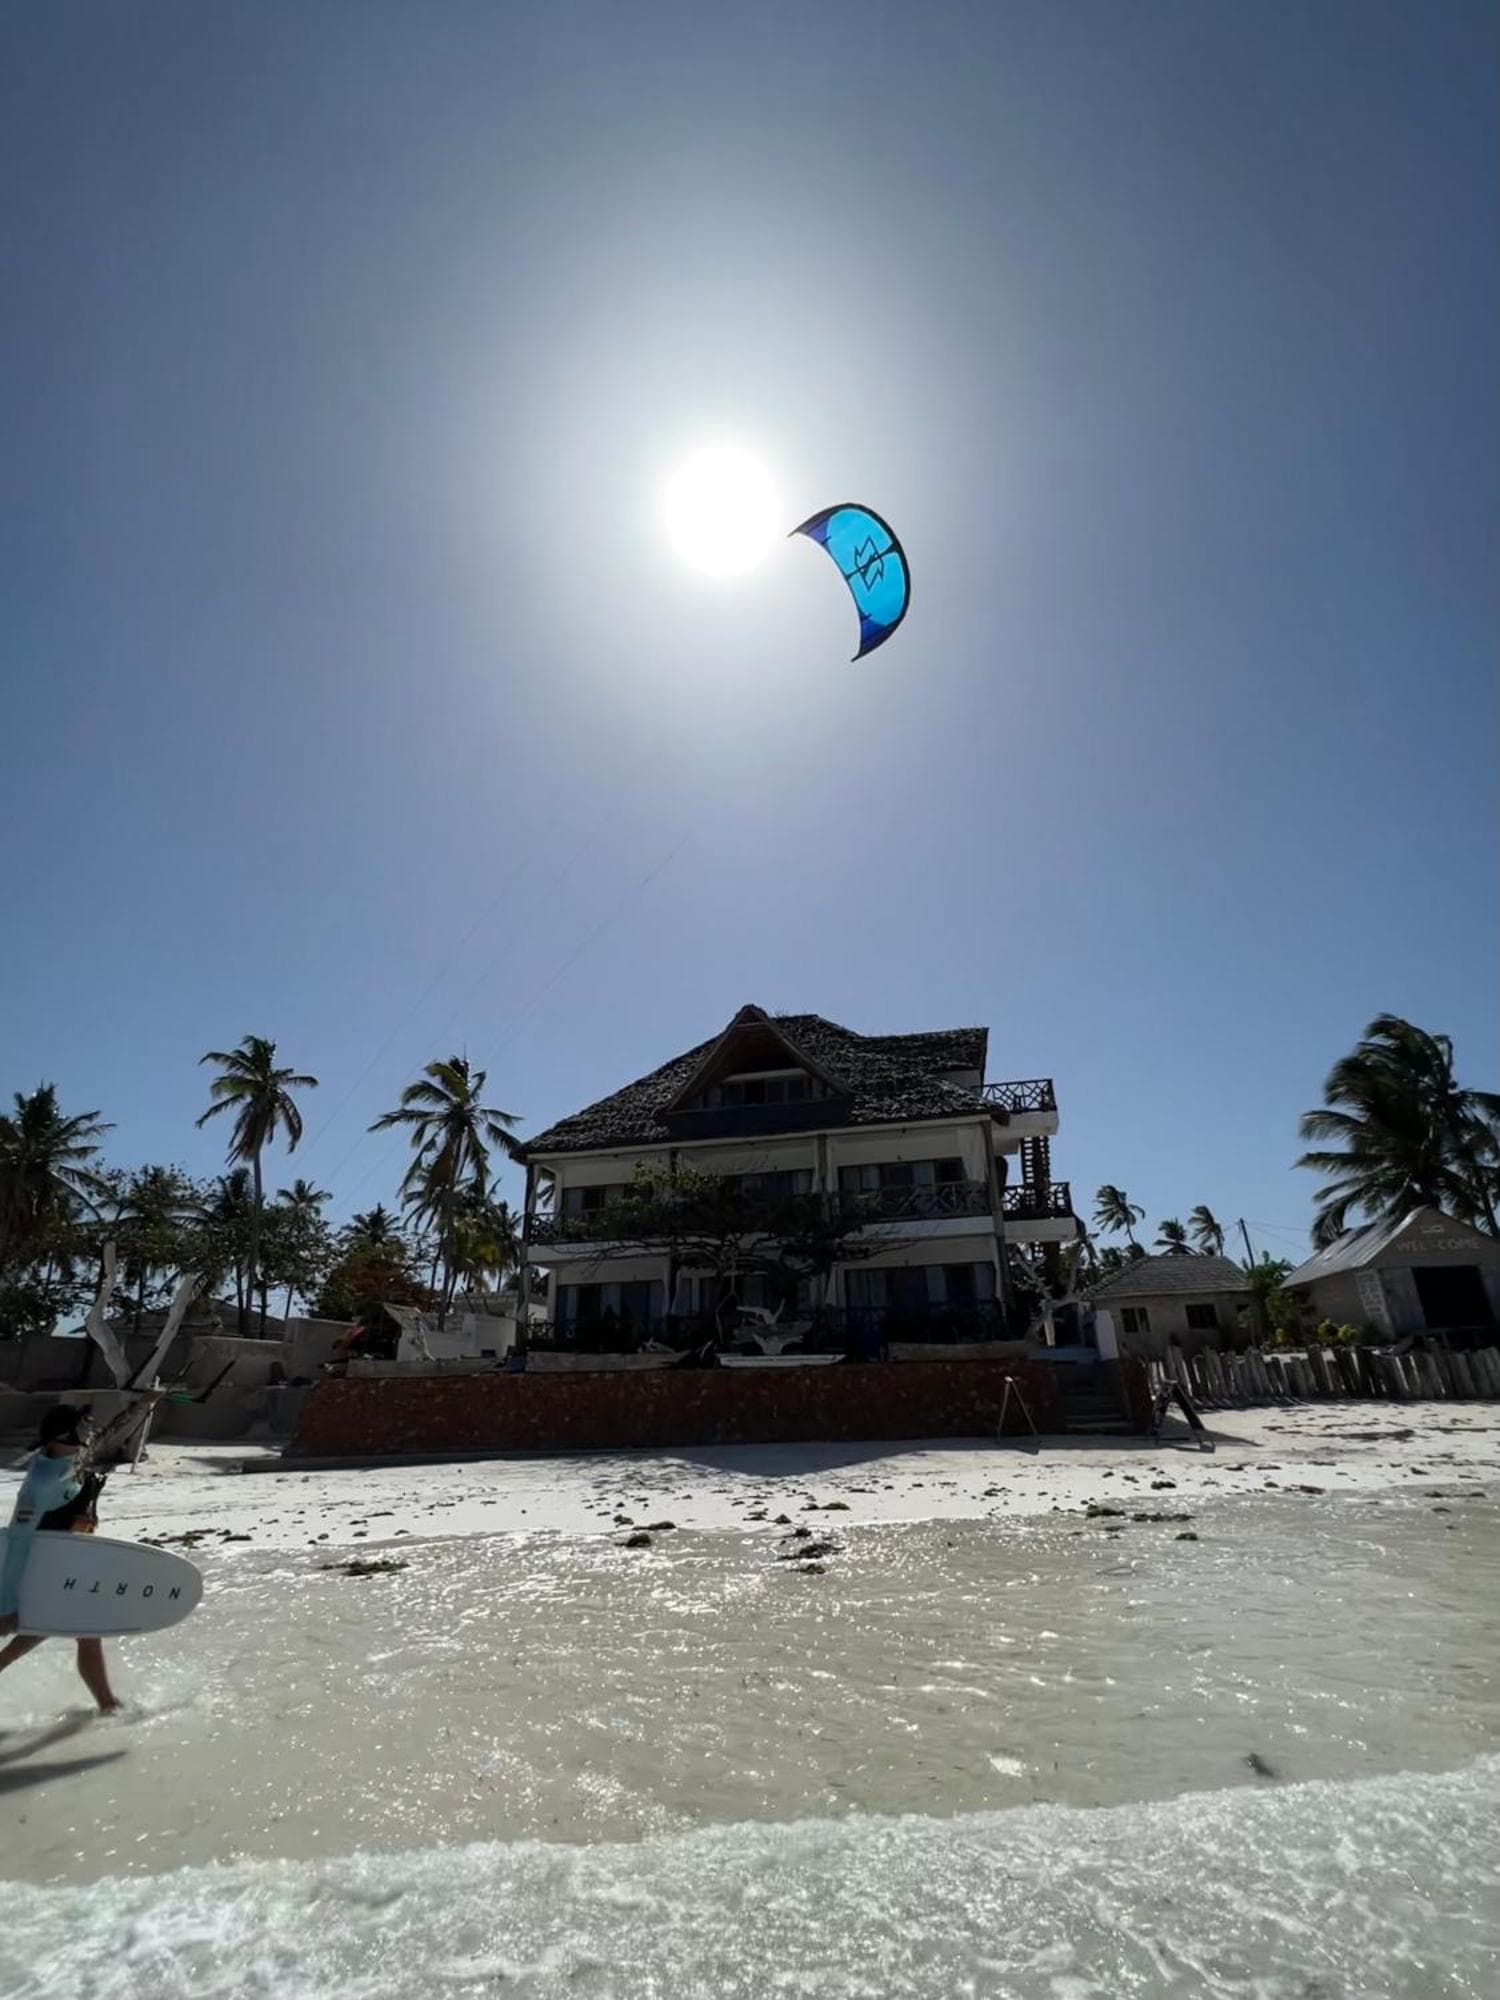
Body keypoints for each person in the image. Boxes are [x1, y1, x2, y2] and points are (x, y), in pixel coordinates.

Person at [0, 1399, 153, 1715]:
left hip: (68, 1569)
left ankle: (108, 1706)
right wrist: (6, 1605)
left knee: (79, 1633)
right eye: (84, 1424)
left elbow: (113, 1432)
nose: (90, 1428)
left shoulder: (74, 1458)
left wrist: (143, 1404)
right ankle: (108, 1706)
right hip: (45, 1575)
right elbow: (18, 1542)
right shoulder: (40, 1485)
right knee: (69, 1632)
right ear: (63, 1434)